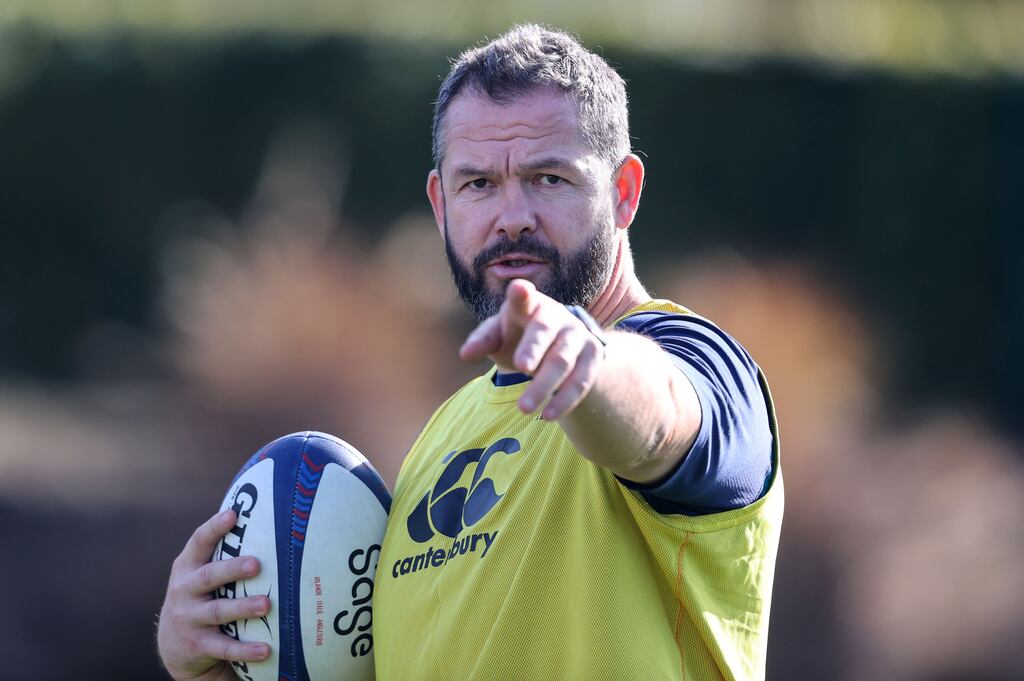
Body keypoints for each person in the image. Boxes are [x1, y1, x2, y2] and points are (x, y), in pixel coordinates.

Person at [157, 24, 782, 681]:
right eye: (478, 184)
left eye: (548, 178)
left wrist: (589, 358)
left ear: (623, 192)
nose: (511, 215)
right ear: (440, 204)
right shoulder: (434, 446)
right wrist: (213, 666)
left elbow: (660, 421)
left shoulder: (698, 364)